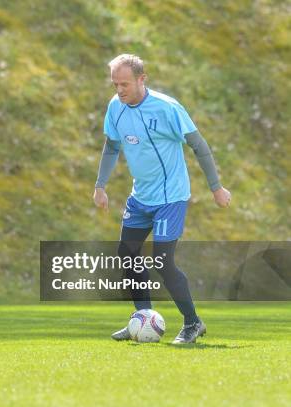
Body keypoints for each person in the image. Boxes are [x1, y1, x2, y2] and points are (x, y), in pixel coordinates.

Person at [93, 54, 231, 344]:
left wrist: (216, 187)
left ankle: (193, 323)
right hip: (140, 197)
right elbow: (111, 146)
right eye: (115, 84)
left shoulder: (168, 108)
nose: (119, 90)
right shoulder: (115, 107)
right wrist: (100, 186)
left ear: (142, 79)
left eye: (125, 84)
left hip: (170, 198)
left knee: (162, 260)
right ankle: (143, 318)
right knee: (127, 254)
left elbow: (199, 146)